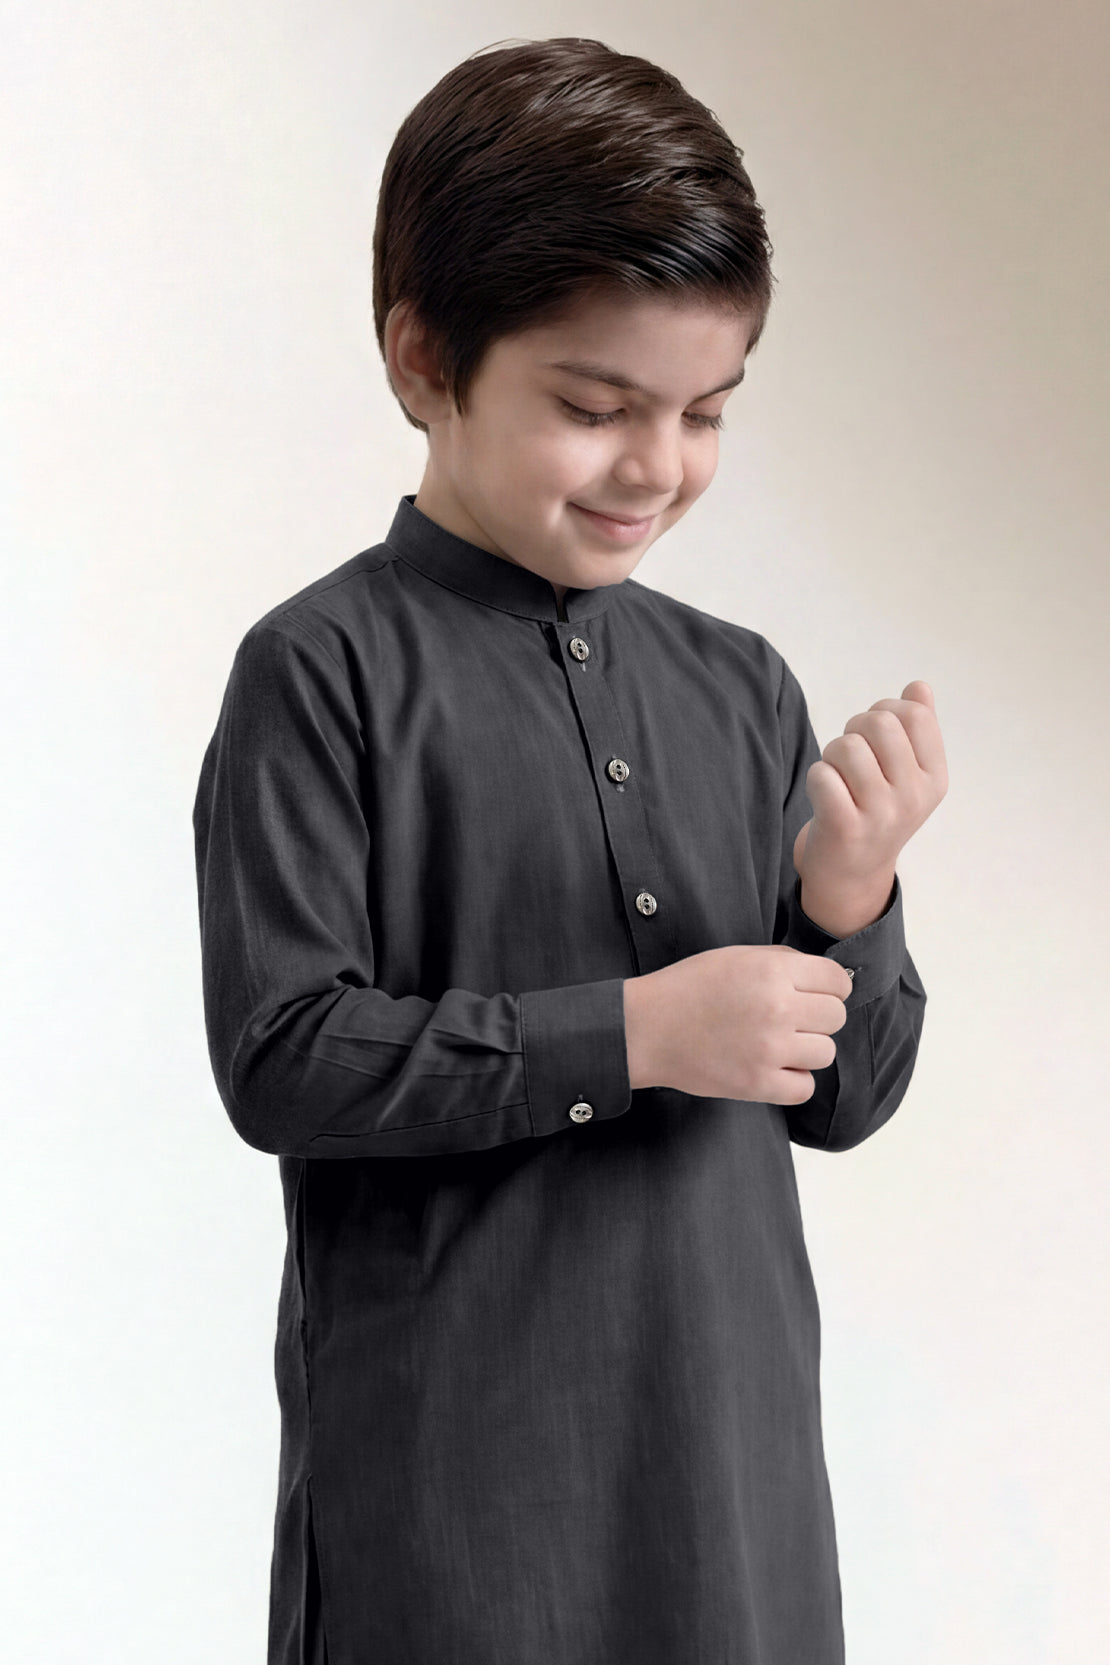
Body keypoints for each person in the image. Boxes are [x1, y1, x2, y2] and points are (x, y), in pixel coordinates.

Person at [192, 36, 947, 1665]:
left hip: (727, 1487)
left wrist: (847, 901)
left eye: (703, 413)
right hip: (454, 1498)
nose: (655, 466)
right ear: (423, 358)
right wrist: (637, 1031)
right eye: (595, 408)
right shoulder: (320, 671)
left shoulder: (739, 685)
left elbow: (847, 1098)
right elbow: (282, 1058)